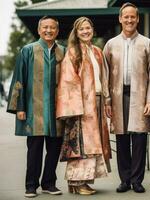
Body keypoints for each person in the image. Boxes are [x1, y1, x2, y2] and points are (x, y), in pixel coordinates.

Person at [103, 2, 150, 193]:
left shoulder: (147, 43)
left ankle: (137, 180)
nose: (129, 20)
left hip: (140, 96)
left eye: (132, 16)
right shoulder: (110, 44)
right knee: (122, 138)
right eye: (125, 16)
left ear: (138, 18)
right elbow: (105, 75)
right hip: (118, 96)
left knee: (140, 138)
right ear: (120, 18)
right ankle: (124, 180)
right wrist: (107, 101)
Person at [6, 16, 65, 198]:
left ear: (57, 30)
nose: (49, 30)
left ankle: (49, 183)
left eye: (52, 28)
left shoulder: (63, 51)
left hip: (57, 109)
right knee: (34, 150)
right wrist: (20, 107)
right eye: (45, 27)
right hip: (33, 109)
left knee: (54, 149)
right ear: (39, 30)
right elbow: (19, 79)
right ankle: (31, 185)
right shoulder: (28, 50)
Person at [56, 17, 111, 195]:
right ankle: (76, 181)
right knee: (80, 145)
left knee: (93, 145)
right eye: (81, 29)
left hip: (97, 102)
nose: (85, 31)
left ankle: (82, 182)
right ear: (76, 32)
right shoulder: (73, 52)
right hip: (80, 107)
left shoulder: (97, 51)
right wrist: (75, 108)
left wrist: (107, 100)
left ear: (92, 30)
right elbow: (68, 81)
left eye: (88, 28)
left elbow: (104, 79)